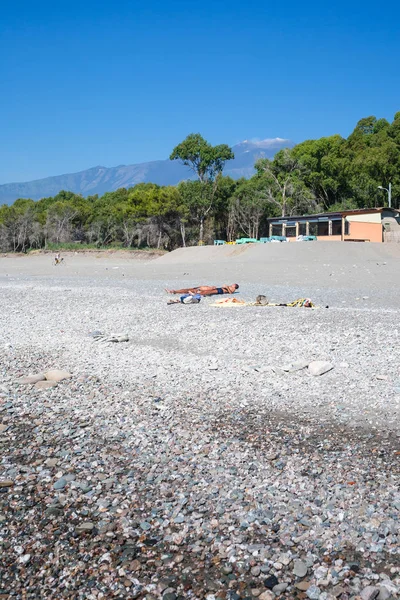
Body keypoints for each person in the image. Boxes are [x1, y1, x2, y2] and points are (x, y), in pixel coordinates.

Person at [165, 283, 239, 297]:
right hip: (219, 289)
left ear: (235, 286)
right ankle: (174, 291)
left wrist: (227, 287)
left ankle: (196, 294)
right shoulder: (230, 286)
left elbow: (230, 293)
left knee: (206, 292)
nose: (232, 284)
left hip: (221, 291)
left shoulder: (232, 289)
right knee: (189, 289)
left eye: (234, 284)